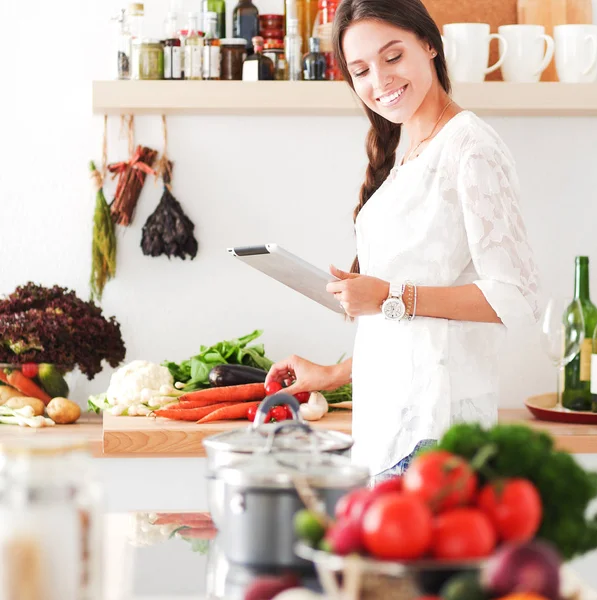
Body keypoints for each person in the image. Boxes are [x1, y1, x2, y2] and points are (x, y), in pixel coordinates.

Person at [265, 0, 540, 483]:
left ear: (429, 44)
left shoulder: (469, 147)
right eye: (362, 70)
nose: (380, 80)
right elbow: (412, 332)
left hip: (437, 435)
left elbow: (516, 298)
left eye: (393, 57)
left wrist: (390, 295)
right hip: (389, 425)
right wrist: (333, 374)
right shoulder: (408, 153)